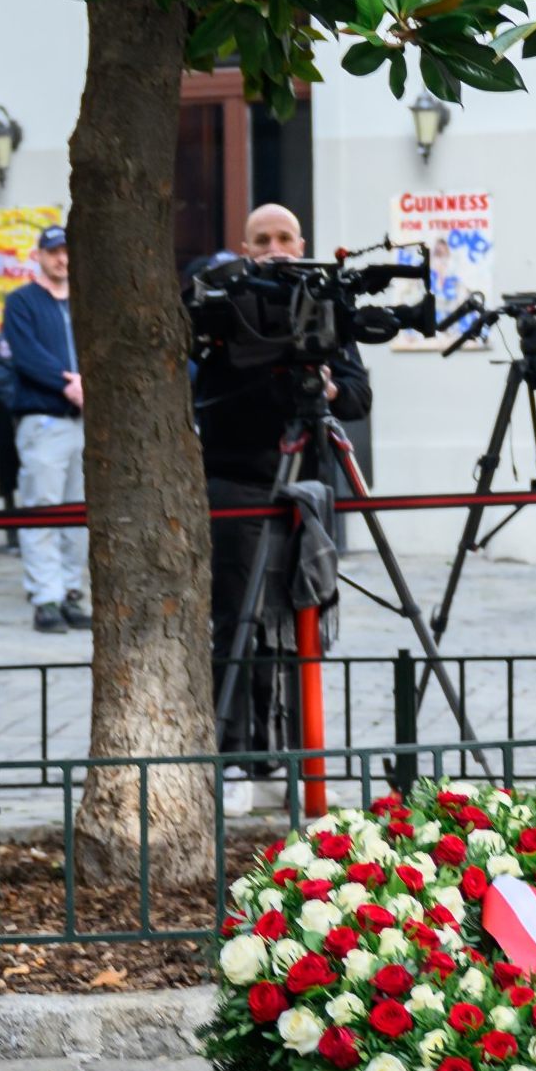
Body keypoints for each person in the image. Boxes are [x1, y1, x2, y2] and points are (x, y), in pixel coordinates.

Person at [196, 203, 372, 753]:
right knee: (239, 623)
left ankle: (301, 752)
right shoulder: (228, 309)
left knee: (302, 620)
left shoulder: (324, 304)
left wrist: (329, 388)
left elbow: (359, 396)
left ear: (301, 244)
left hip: (308, 490)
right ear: (246, 249)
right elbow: (208, 399)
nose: (275, 248)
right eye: (262, 239)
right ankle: (238, 755)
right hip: (238, 482)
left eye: (284, 238)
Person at [0, 227, 86, 634]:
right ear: (38, 256)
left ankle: (69, 592)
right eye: (54, 252)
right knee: (42, 510)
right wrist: (70, 382)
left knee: (78, 513)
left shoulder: (85, 299)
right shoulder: (22, 301)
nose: (62, 259)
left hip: (84, 422)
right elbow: (25, 355)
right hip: (46, 420)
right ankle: (45, 598)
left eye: (67, 251)